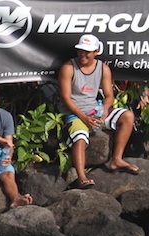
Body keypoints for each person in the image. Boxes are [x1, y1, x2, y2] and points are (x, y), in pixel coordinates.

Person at [58, 34, 140, 188]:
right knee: (80, 138)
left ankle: (116, 159)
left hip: (94, 109)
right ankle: (82, 176)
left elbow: (109, 95)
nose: (83, 54)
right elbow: (65, 98)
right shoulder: (68, 67)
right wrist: (83, 117)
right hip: (75, 112)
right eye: (81, 51)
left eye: (87, 52)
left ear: (96, 51)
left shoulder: (103, 68)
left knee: (128, 116)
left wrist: (103, 111)